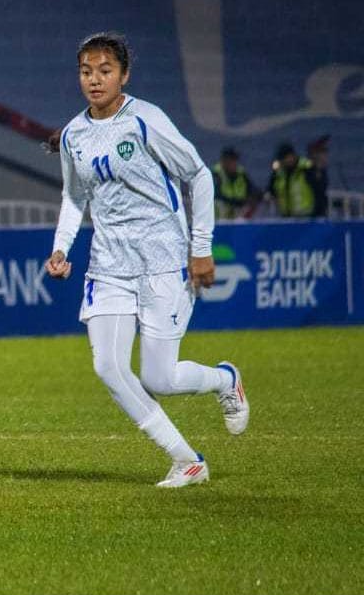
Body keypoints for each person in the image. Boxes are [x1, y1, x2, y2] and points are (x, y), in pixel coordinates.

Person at [46, 32, 249, 489]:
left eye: (104, 71)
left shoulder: (145, 120)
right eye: (86, 71)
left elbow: (197, 174)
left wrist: (201, 248)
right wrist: (61, 248)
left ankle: (224, 380)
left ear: (124, 75)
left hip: (163, 259)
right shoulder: (74, 134)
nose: (94, 80)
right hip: (109, 264)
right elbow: (74, 197)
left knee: (159, 377)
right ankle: (187, 460)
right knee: (108, 368)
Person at [267, 142, 315, 218]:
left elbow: (318, 190)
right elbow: (271, 190)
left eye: (284, 158)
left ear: (292, 156)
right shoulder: (279, 173)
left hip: (306, 217)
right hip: (286, 217)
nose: (283, 162)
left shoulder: (306, 169)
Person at [211, 147, 257, 220]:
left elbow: (253, 190)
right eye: (231, 160)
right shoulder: (216, 173)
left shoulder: (241, 173)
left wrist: (248, 201)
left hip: (238, 214)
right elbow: (216, 194)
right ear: (223, 161)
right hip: (219, 219)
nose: (234, 163)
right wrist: (234, 202)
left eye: (235, 160)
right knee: (218, 203)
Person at [308, 135, 330, 218]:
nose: (325, 155)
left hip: (320, 214)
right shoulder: (308, 171)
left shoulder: (322, 171)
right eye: (323, 152)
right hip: (309, 216)